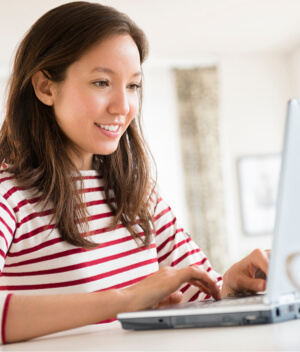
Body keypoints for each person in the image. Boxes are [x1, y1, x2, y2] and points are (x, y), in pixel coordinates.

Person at [0, 1, 269, 344]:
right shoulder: (10, 195)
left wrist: (232, 286)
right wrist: (124, 300)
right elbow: (136, 297)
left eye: (133, 86)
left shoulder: (137, 194)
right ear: (45, 88)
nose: (123, 107)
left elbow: (203, 292)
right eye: (101, 82)